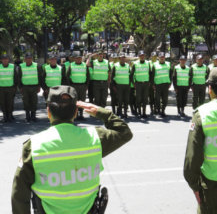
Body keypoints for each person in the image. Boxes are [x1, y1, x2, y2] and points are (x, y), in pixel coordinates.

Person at [11, 85, 133, 214]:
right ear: (76, 112)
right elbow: (124, 132)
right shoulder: (95, 138)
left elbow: (19, 194)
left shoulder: (34, 145)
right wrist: (100, 112)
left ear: (48, 111)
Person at [184, 67, 217, 214]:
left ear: (210, 89)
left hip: (210, 185)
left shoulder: (202, 114)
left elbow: (191, 160)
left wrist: (196, 189)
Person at [18, 52, 42, 122]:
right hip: (25, 87)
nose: (29, 59)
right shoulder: (21, 66)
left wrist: (39, 86)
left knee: (34, 101)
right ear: (25, 59)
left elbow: (39, 77)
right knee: (26, 102)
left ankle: (33, 116)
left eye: (30, 58)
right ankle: (27, 116)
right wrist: (20, 87)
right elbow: (19, 77)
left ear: (32, 59)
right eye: (27, 58)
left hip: (34, 87)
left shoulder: (36, 66)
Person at [67, 51, 89, 120]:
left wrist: (86, 85)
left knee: (82, 100)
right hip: (74, 86)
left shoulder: (85, 65)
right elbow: (67, 76)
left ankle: (81, 114)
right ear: (74, 59)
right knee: (74, 100)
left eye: (80, 58)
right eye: (77, 58)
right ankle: (75, 115)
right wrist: (70, 85)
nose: (79, 59)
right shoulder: (71, 65)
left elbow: (88, 76)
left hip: (82, 86)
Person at [130, 50, 151, 118]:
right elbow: (131, 75)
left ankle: (144, 112)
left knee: (145, 99)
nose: (142, 57)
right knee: (138, 98)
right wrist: (134, 83)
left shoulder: (148, 63)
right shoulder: (135, 64)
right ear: (139, 56)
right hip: (138, 84)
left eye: (143, 55)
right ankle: (139, 112)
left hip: (146, 83)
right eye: (141, 55)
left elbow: (150, 74)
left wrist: (150, 82)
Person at [152, 52, 172, 117]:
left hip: (166, 84)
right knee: (157, 99)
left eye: (163, 57)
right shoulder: (155, 65)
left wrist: (170, 82)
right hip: (158, 84)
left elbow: (171, 74)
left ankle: (163, 111)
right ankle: (158, 111)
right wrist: (153, 84)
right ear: (158, 58)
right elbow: (152, 75)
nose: (162, 58)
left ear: (165, 57)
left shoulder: (168, 64)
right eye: (161, 57)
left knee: (165, 99)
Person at [111, 53, 130, 118]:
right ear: (119, 59)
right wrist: (114, 86)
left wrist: (129, 84)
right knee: (120, 100)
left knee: (126, 100)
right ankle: (120, 113)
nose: (123, 59)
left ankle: (125, 113)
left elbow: (130, 76)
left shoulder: (128, 66)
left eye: (124, 58)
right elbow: (112, 77)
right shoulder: (115, 66)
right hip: (119, 86)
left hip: (126, 85)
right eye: (121, 58)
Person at [0, 54, 18, 122]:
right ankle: (5, 115)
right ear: (1, 60)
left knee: (10, 102)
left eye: (6, 59)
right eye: (3, 59)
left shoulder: (12, 66)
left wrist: (15, 87)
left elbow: (16, 77)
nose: (5, 60)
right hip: (1, 88)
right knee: (2, 102)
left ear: (8, 60)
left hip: (10, 88)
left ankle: (10, 115)